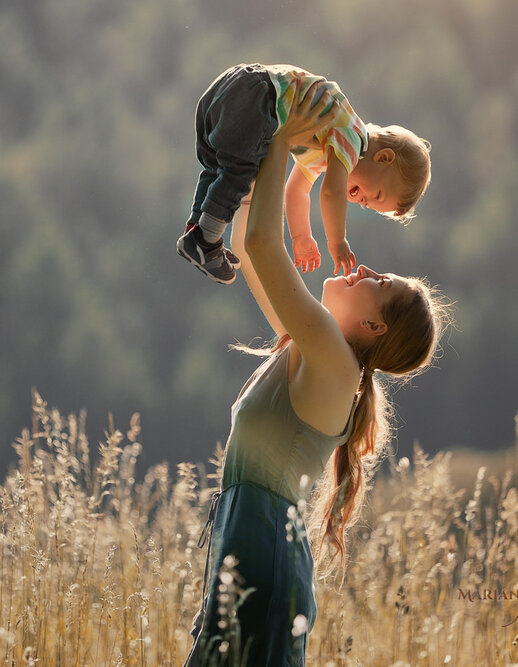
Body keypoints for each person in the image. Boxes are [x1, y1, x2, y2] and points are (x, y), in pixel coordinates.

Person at [183, 82, 448, 666]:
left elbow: (259, 241)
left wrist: (279, 128)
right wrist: (274, 153)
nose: (368, 272)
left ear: (376, 328)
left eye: (380, 285)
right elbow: (254, 237)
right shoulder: (313, 347)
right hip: (247, 556)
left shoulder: (332, 358)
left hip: (263, 567)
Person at [177, 63, 432, 285]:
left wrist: (301, 236)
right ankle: (206, 240)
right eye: (376, 195)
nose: (363, 201)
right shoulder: (351, 138)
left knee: (218, 169)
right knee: (239, 172)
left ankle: (196, 233)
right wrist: (337, 242)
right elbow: (331, 193)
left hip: (234, 86)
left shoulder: (325, 142)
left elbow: (297, 190)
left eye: (368, 205)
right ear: (384, 157)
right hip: (258, 97)